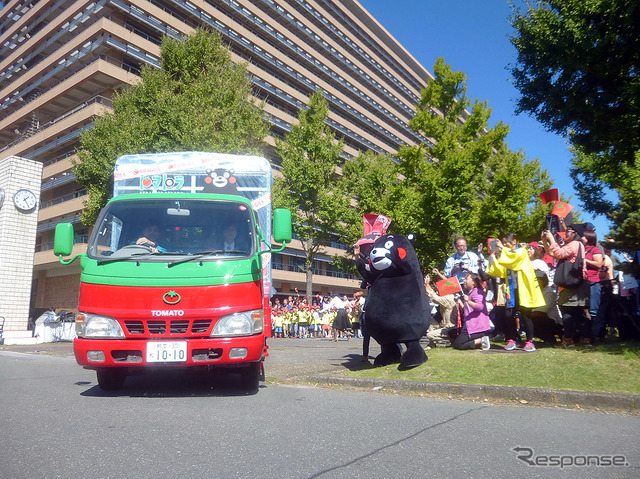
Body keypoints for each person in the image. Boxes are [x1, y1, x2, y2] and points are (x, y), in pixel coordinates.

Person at [492, 233, 546, 352]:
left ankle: (530, 341)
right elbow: (500, 272)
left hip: (523, 289)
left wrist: (503, 249)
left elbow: (514, 260)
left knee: (525, 315)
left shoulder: (521, 251)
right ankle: (513, 339)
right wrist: (494, 258)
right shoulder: (507, 255)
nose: (504, 245)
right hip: (512, 289)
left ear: (514, 242)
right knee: (508, 315)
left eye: (506, 243)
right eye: (504, 243)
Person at [542, 223, 591, 347]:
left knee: (567, 312)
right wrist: (545, 240)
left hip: (572, 286)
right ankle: (585, 340)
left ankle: (568, 340)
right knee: (577, 314)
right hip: (576, 284)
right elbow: (552, 253)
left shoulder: (574, 244)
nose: (566, 233)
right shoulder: (577, 245)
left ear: (575, 234)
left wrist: (551, 239)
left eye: (568, 231)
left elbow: (558, 253)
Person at [449, 272, 492, 350]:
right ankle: (477, 341)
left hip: (477, 327)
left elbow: (480, 307)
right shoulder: (471, 293)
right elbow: (469, 310)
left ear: (474, 282)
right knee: (451, 333)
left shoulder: (477, 292)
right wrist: (461, 303)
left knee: (458, 344)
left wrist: (468, 301)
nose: (464, 281)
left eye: (467, 279)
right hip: (471, 325)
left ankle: (482, 340)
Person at [530, 270, 563, 344]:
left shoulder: (550, 292)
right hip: (538, 316)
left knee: (535, 320)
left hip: (554, 321)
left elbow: (543, 311)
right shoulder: (534, 292)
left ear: (545, 281)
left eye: (539, 280)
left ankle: (550, 339)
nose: (537, 282)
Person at [424, 274, 457, 347]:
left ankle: (453, 341)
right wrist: (428, 284)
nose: (438, 289)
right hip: (443, 323)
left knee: (429, 335)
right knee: (430, 322)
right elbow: (432, 293)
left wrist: (427, 284)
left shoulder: (449, 298)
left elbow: (434, 297)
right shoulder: (445, 296)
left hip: (451, 327)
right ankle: (431, 345)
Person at [583, 229, 604, 326]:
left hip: (593, 283)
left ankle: (594, 334)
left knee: (593, 310)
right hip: (583, 283)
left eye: (583, 236)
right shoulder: (582, 250)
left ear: (588, 238)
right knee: (584, 309)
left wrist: (584, 260)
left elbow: (599, 264)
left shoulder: (595, 250)